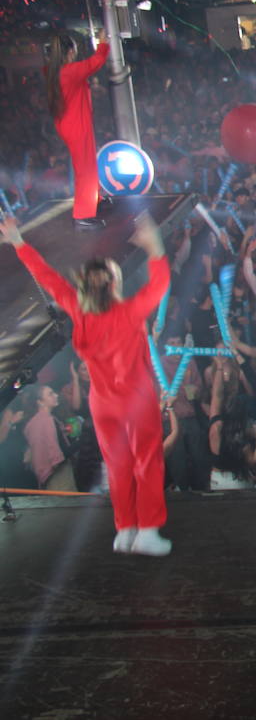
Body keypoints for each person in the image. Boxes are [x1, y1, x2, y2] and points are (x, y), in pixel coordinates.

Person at [1, 213, 172, 555]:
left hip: (103, 403)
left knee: (119, 464)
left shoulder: (78, 311)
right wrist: (155, 247)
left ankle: (125, 530)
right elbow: (160, 284)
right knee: (147, 461)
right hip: (135, 401)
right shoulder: (129, 312)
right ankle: (148, 531)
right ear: (112, 282)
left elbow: (47, 278)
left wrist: (19, 242)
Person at [44, 32, 109, 229]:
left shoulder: (53, 71)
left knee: (87, 164)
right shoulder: (70, 71)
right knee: (85, 169)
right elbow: (97, 61)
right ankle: (82, 215)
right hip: (76, 125)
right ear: (70, 52)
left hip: (69, 123)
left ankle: (94, 198)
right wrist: (103, 42)